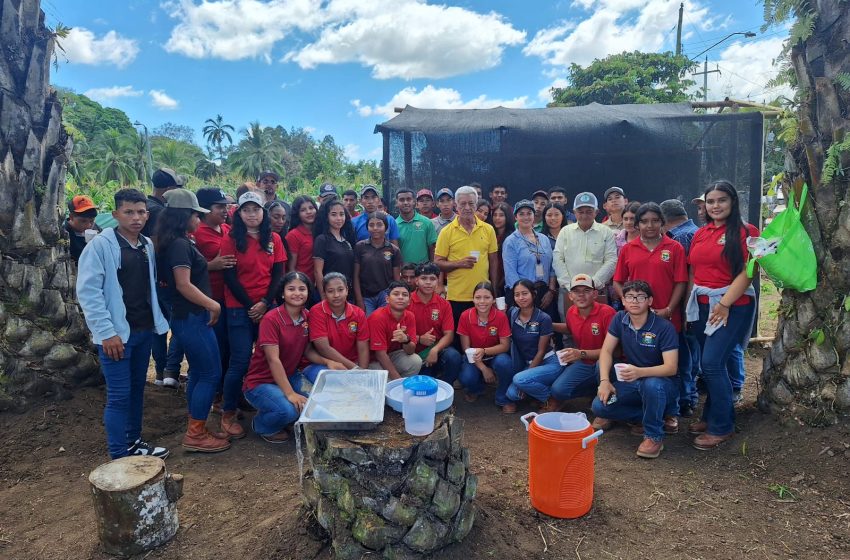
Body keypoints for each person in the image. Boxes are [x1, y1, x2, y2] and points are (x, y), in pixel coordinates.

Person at [76, 188, 170, 459]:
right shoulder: (101, 246)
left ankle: (133, 442)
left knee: (137, 390)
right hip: (117, 336)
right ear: (115, 214)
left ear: (147, 214)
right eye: (129, 212)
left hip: (142, 331)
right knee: (119, 396)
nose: (136, 217)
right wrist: (106, 332)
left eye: (141, 212)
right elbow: (89, 292)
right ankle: (119, 455)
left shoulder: (146, 245)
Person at [155, 189, 230, 453]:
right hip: (191, 316)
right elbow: (184, 285)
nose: (199, 219)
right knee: (210, 373)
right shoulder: (178, 245)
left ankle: (196, 425)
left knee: (199, 371)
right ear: (184, 215)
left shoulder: (176, 241)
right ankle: (195, 434)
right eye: (196, 215)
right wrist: (212, 304)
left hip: (188, 316)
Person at [686, 180, 758, 450]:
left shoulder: (746, 231)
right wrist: (689, 306)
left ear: (732, 202)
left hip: (732, 305)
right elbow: (694, 271)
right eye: (711, 201)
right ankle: (711, 416)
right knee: (715, 364)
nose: (715, 206)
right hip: (702, 304)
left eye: (721, 200)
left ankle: (722, 426)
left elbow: (749, 272)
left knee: (712, 363)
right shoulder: (702, 233)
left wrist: (725, 303)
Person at [242, 272, 342, 443]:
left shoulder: (307, 316)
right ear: (282, 293)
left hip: (290, 375)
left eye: (302, 289)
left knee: (319, 402)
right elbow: (274, 360)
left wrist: (328, 361)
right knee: (289, 410)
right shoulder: (271, 319)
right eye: (291, 289)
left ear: (309, 293)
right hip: (261, 381)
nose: (297, 293)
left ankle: (280, 410)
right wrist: (290, 393)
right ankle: (261, 425)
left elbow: (307, 351)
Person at [220, 191, 287, 438]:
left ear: (263, 213)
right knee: (239, 359)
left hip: (266, 306)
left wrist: (265, 302)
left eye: (256, 209)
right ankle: (228, 412)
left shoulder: (274, 239)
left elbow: (278, 274)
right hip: (239, 307)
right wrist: (252, 305)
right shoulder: (230, 238)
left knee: (267, 357)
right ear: (239, 213)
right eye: (246, 210)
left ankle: (266, 403)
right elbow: (229, 276)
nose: (251, 214)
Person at [591, 281, 679, 459]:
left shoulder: (664, 327)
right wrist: (605, 382)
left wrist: (639, 372)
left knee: (651, 385)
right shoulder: (619, 318)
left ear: (650, 301)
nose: (635, 301)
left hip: (662, 384)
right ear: (623, 300)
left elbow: (671, 368)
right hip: (633, 382)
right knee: (599, 407)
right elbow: (606, 351)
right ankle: (652, 415)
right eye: (630, 297)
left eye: (641, 297)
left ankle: (653, 436)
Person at [614, 202, 688, 332]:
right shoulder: (627, 249)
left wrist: (669, 309)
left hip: (666, 317)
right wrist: (629, 302)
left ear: (662, 222)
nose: (650, 226)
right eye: (644, 221)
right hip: (637, 316)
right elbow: (617, 282)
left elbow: (681, 282)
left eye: (655, 221)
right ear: (637, 224)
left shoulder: (675, 247)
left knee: (668, 351)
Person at [546, 274, 617, 410]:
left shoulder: (608, 313)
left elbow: (615, 351)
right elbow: (570, 328)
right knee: (558, 390)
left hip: (607, 363)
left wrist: (580, 353)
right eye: (576, 291)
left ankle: (608, 408)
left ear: (595, 294)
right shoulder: (571, 311)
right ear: (570, 296)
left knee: (599, 368)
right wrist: (549, 324)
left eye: (586, 291)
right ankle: (594, 393)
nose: (581, 295)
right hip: (584, 363)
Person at [194, 188, 238, 405]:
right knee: (216, 349)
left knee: (231, 347)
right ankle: (217, 396)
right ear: (204, 209)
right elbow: (186, 269)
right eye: (219, 206)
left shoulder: (228, 228)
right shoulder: (198, 232)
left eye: (226, 206)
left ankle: (230, 393)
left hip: (231, 297)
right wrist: (211, 265)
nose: (225, 210)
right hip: (211, 300)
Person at [434, 185, 499, 328]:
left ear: (477, 205)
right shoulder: (447, 232)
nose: (467, 207)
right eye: (463, 204)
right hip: (457, 296)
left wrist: (493, 290)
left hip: (483, 296)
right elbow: (437, 263)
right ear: (456, 205)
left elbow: (494, 262)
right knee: (460, 341)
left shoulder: (488, 229)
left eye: (471, 203)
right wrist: (459, 263)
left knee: (483, 338)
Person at [144, 168, 184, 386]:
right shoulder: (160, 212)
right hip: (164, 280)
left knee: (157, 327)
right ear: (168, 189)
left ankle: (160, 372)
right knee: (178, 323)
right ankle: (170, 370)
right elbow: (157, 246)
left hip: (152, 279)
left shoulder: (146, 207)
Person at [661, 198, 701, 417]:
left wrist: (684, 309)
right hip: (694, 303)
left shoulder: (680, 237)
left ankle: (687, 398)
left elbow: (685, 277)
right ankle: (690, 396)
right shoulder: (697, 231)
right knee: (692, 352)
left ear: (664, 220)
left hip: (685, 305)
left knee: (685, 354)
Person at [553, 192, 617, 316]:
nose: (584, 215)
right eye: (580, 211)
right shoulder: (565, 231)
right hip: (569, 291)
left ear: (596, 212)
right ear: (574, 212)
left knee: (598, 329)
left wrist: (593, 285)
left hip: (596, 291)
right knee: (569, 330)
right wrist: (571, 286)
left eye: (589, 211)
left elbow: (611, 260)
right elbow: (558, 259)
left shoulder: (606, 232)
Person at [503, 280, 559, 414]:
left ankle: (553, 399)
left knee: (520, 380)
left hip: (548, 362)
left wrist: (526, 376)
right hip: (530, 363)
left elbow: (541, 352)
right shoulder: (512, 313)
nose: (521, 298)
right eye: (517, 295)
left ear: (533, 295)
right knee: (512, 394)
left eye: (524, 293)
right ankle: (536, 392)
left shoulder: (543, 318)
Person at [456, 282, 512, 405]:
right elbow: (466, 348)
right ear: (473, 299)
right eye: (478, 297)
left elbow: (505, 345)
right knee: (467, 378)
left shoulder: (500, 316)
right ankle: (477, 389)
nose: (482, 301)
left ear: (493, 300)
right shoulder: (465, 316)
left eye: (487, 297)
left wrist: (484, 351)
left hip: (495, 355)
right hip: (473, 357)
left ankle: (502, 396)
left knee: (505, 363)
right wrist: (483, 368)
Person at [409, 262, 462, 380]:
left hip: (436, 350)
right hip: (412, 353)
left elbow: (449, 335)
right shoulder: (407, 301)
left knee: (453, 357)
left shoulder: (444, 304)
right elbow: (399, 333)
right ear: (416, 281)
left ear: (438, 281)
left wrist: (435, 350)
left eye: (432, 278)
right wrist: (419, 338)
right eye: (424, 278)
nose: (428, 282)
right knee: (424, 382)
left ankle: (447, 390)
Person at [308, 272, 371, 370]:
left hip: (353, 362)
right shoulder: (316, 312)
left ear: (347, 290)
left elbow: (363, 348)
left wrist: (363, 371)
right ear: (324, 293)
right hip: (326, 363)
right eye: (330, 291)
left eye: (340, 290)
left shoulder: (358, 313)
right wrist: (355, 369)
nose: (336, 295)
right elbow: (323, 348)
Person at [502, 200, 557, 309]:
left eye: (529, 213)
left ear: (534, 215)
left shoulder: (544, 239)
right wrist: (524, 295)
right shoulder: (511, 241)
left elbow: (552, 267)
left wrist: (551, 290)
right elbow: (510, 273)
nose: (526, 217)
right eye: (521, 214)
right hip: (522, 295)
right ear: (516, 217)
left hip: (544, 293)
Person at [367, 281, 422, 379]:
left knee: (416, 361)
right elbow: (380, 354)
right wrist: (398, 381)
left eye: (404, 295)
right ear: (387, 299)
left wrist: (406, 340)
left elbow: (410, 351)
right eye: (396, 294)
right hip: (373, 359)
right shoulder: (377, 317)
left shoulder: (410, 316)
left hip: (392, 355)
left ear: (409, 301)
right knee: (384, 381)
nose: (400, 297)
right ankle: (397, 386)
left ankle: (400, 386)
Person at [354, 211, 401, 315]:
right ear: (367, 228)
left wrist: (394, 298)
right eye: (371, 225)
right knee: (368, 324)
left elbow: (396, 279)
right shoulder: (360, 247)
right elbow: (355, 276)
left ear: (386, 227)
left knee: (384, 324)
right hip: (366, 295)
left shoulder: (394, 250)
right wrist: (359, 299)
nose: (375, 228)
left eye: (379, 224)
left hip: (385, 295)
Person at [312, 199, 355, 299]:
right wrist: (324, 296)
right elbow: (317, 272)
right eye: (334, 214)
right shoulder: (322, 239)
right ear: (327, 217)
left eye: (341, 214)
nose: (339, 218)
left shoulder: (347, 241)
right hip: (330, 294)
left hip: (346, 293)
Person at [396, 188, 437, 265]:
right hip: (405, 273)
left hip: (424, 272)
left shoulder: (427, 222)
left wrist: (432, 268)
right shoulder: (394, 225)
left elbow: (432, 248)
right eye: (401, 200)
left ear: (414, 201)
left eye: (408, 199)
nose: (405, 202)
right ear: (396, 202)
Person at [488, 202, 514, 297]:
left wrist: (500, 282)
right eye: (495, 215)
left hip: (506, 282)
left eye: (501, 215)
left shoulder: (512, 237)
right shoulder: (488, 234)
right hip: (489, 280)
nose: (497, 218)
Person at [65, 195, 100, 262]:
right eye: (83, 221)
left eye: (92, 221)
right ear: (71, 217)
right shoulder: (64, 233)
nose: (88, 225)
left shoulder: (96, 229)